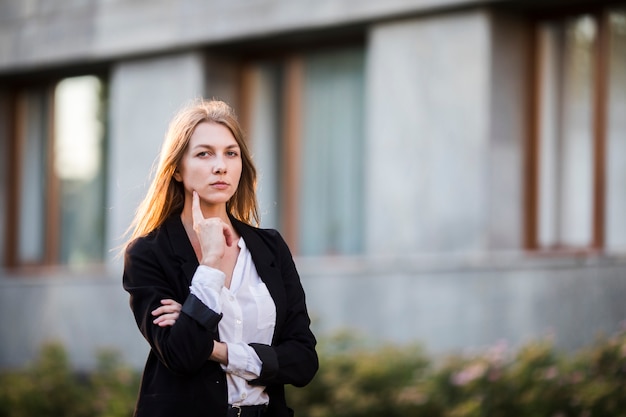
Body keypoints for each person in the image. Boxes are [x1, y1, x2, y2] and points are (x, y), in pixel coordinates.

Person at [122, 99, 318, 417]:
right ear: (175, 170)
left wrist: (216, 350)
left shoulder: (270, 247)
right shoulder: (148, 253)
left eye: (231, 153)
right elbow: (181, 354)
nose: (220, 166)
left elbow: (303, 360)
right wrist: (211, 263)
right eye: (204, 153)